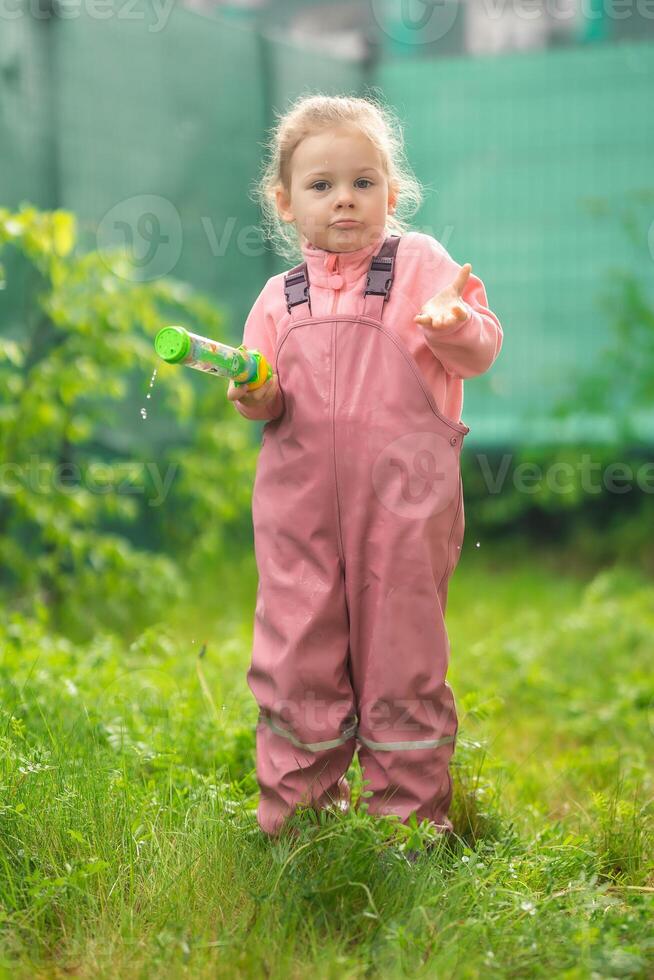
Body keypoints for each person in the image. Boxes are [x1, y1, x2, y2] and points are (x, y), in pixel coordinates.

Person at [227, 93, 503, 839]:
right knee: (295, 655)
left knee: (402, 656)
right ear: (284, 203)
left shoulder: (421, 268)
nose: (344, 199)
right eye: (320, 186)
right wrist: (252, 390)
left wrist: (457, 324)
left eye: (363, 181)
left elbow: (481, 346)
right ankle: (298, 818)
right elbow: (260, 399)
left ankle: (409, 824)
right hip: (299, 520)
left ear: (392, 189)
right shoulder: (277, 298)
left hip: (404, 517)